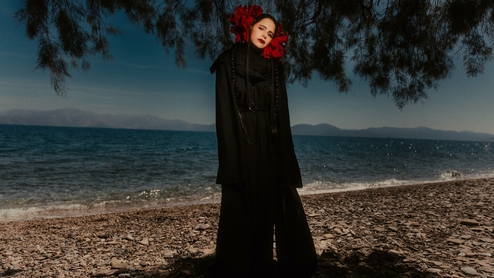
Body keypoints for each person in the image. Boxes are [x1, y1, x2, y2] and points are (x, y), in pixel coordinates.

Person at [209, 5, 317, 278]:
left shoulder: (274, 68)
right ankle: (236, 267)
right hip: (240, 138)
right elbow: (224, 112)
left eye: (270, 34)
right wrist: (231, 158)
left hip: (269, 143)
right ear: (249, 28)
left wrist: (285, 158)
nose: (265, 36)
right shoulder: (227, 62)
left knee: (270, 203)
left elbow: (281, 115)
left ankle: (265, 265)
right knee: (240, 204)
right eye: (261, 29)